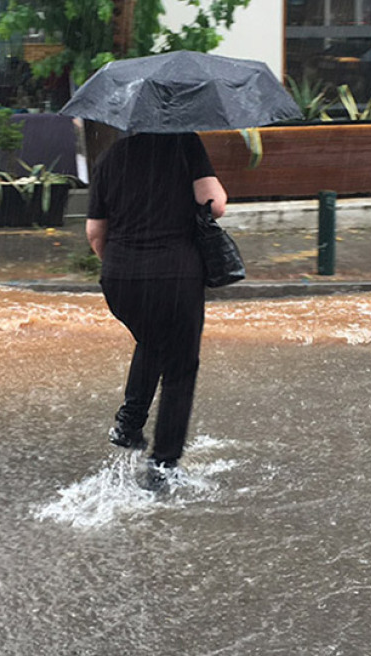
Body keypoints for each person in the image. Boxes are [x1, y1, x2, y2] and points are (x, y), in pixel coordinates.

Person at [86, 131, 228, 490]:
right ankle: (163, 464)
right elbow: (216, 203)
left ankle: (129, 424)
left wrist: (126, 267)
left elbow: (94, 233)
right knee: (180, 366)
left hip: (120, 279)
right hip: (176, 275)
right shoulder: (185, 144)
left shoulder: (109, 157)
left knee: (152, 338)